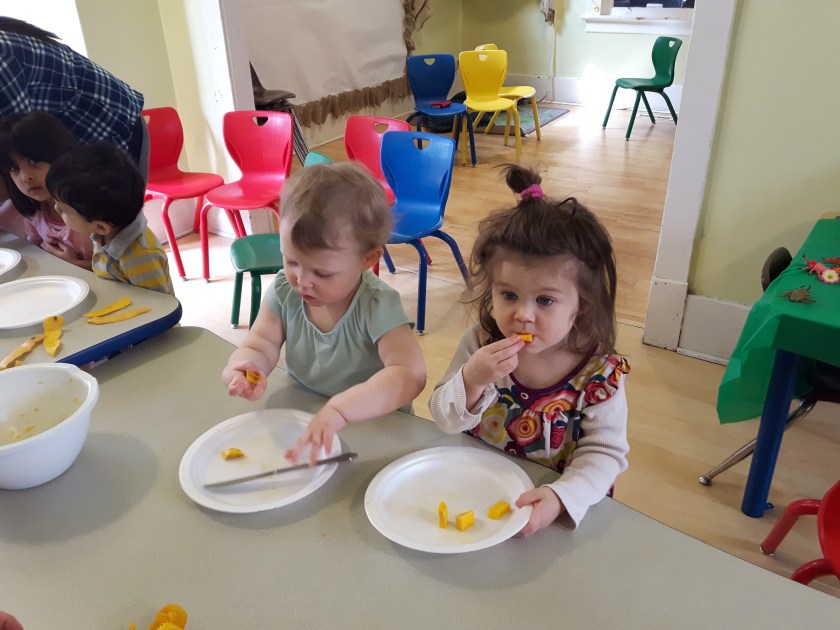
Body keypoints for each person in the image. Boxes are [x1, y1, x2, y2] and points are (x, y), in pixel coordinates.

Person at [429, 165, 630, 536]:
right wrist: (471, 380)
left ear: (581, 304)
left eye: (545, 300)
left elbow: (605, 454)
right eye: (508, 295)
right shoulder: (480, 342)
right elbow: (445, 420)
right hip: (479, 494)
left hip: (551, 505)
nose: (522, 315)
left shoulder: (598, 374)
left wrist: (561, 496)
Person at [222, 162, 427, 464]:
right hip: (308, 416)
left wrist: (341, 409)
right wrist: (244, 367)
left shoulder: (377, 304)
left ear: (366, 259)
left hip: (376, 425)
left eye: (322, 272)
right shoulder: (284, 290)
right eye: (291, 261)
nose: (302, 281)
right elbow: (261, 343)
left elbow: (410, 375)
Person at [0, 17, 147, 177]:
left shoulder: (3, 58)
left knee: (111, 193)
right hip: (69, 145)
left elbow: (15, 141)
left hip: (112, 129)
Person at [45, 143, 174, 295]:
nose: (56, 209)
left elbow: (159, 305)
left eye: (63, 209)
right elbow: (111, 272)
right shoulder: (109, 230)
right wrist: (76, 263)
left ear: (101, 226)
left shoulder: (140, 258)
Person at [0, 111, 92, 267]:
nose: (25, 177)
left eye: (34, 161)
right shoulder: (35, 213)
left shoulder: (93, 209)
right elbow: (37, 251)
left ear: (60, 154)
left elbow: (124, 268)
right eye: (14, 168)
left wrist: (75, 264)